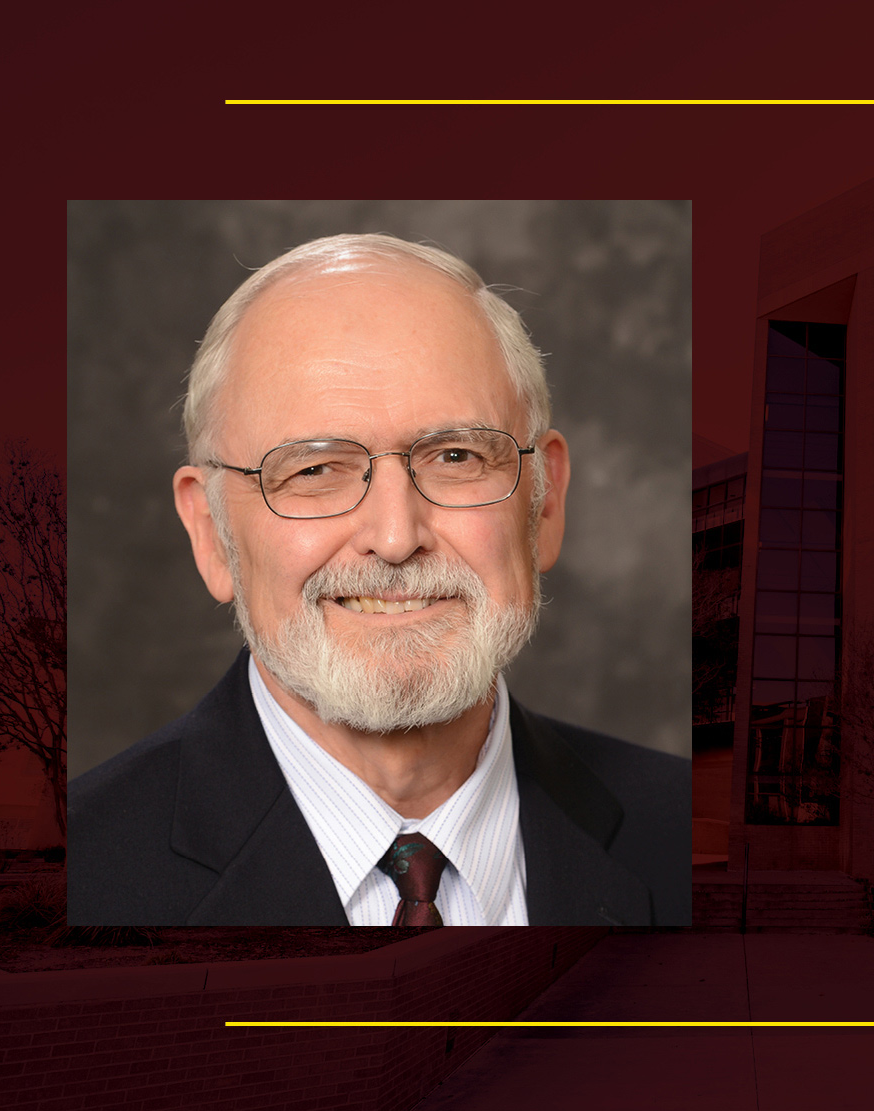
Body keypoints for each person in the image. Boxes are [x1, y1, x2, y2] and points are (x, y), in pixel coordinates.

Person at [69, 234, 687, 926]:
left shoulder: (684, 833)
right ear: (211, 533)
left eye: (456, 456)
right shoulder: (81, 872)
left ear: (544, 501)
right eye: (312, 471)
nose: (396, 538)